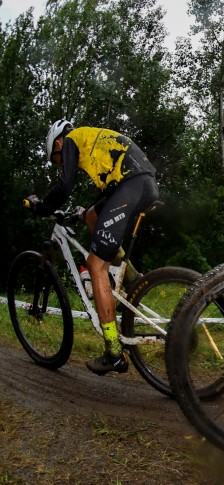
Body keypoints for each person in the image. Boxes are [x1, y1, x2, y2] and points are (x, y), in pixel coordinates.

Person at [28, 120, 158, 374]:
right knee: (91, 217)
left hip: (130, 184)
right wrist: (83, 211)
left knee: (96, 265)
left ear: (58, 143)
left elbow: (65, 185)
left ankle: (113, 351)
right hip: (137, 182)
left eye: (58, 160)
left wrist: (42, 207)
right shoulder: (91, 141)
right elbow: (106, 193)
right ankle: (131, 278)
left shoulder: (71, 140)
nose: (62, 164)